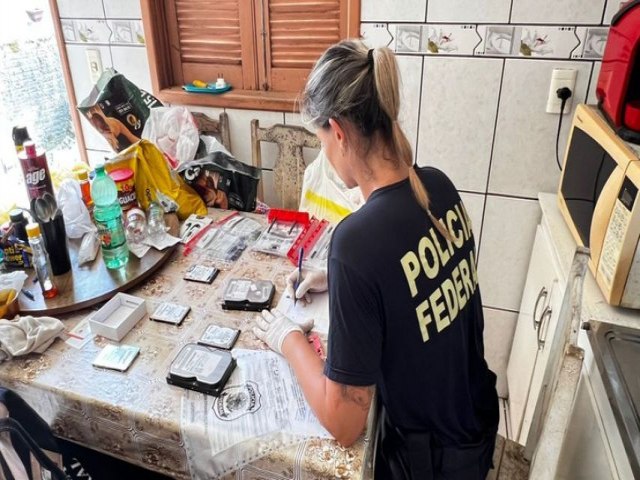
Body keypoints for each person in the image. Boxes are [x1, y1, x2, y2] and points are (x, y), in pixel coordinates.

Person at [252, 39, 498, 479]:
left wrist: (288, 339)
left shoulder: (357, 242)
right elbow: (411, 280)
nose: (325, 155)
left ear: (339, 132)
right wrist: (336, 279)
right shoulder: (438, 185)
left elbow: (345, 424)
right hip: (475, 427)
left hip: (432, 466)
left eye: (322, 141)